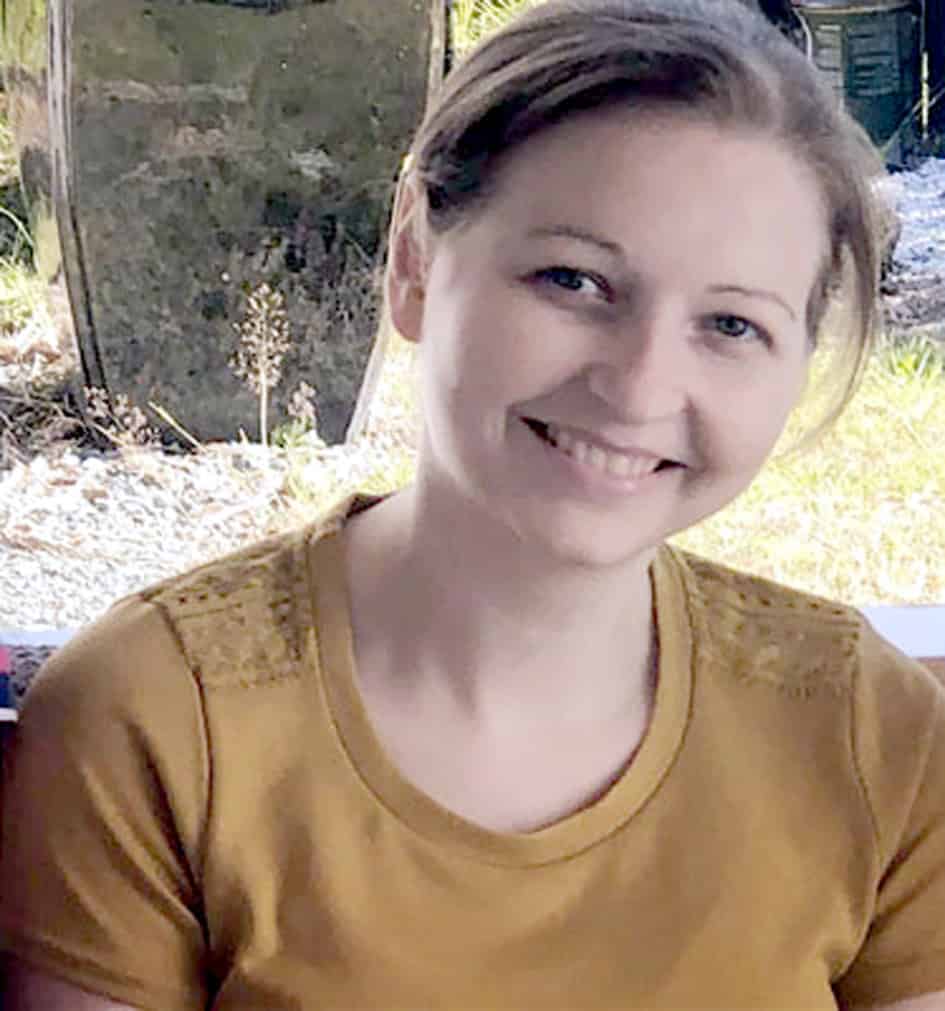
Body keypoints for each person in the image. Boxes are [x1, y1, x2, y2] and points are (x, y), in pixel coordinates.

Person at [2, 1, 944, 1007]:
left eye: (731, 324)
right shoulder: (157, 717)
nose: (638, 387)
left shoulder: (876, 738)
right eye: (572, 280)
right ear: (415, 258)